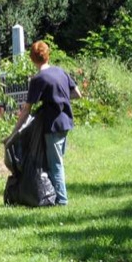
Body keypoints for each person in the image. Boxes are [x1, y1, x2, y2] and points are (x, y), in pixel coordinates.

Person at [12, 40, 81, 206]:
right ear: (47, 55)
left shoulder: (38, 79)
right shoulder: (60, 71)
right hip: (66, 122)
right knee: (57, 160)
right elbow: (77, 94)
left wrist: (14, 132)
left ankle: (62, 200)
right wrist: (61, 99)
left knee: (55, 163)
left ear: (32, 59)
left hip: (52, 125)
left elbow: (26, 110)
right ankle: (53, 194)